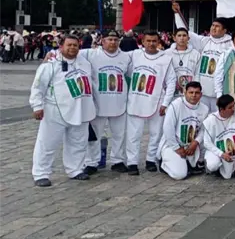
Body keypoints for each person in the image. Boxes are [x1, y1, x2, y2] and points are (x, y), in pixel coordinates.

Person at [30, 34, 96, 187]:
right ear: (61, 47)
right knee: (47, 143)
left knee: (78, 142)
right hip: (55, 108)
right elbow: (38, 86)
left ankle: (75, 169)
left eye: (75, 45)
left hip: (81, 108)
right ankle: (41, 173)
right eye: (69, 45)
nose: (72, 48)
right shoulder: (51, 63)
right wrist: (37, 106)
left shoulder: (85, 63)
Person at [78, 30, 132, 174]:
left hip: (119, 103)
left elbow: (131, 74)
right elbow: (70, 53)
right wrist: (51, 55)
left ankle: (117, 160)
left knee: (119, 135)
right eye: (110, 39)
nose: (113, 42)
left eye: (115, 39)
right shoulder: (90, 54)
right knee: (95, 136)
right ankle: (91, 162)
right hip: (98, 103)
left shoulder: (126, 57)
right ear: (102, 41)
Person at [125, 31, 176, 176]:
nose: (151, 44)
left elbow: (171, 81)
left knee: (156, 133)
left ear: (158, 42)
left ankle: (151, 160)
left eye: (154, 41)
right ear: (143, 42)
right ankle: (132, 162)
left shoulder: (165, 58)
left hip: (157, 101)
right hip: (136, 99)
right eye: (148, 41)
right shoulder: (134, 55)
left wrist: (165, 103)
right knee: (133, 134)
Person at [173, 2, 233, 112]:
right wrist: (177, 13)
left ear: (224, 30)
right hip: (202, 92)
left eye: (217, 26)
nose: (213, 28)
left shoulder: (230, 45)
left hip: (220, 92)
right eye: (213, 25)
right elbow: (184, 31)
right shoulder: (203, 41)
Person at [159, 81, 210, 180]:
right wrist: (176, 148)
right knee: (180, 175)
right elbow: (168, 128)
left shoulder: (204, 109)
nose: (194, 95)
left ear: (201, 94)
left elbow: (204, 129)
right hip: (172, 145)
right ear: (185, 93)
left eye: (197, 93)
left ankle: (190, 163)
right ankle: (163, 164)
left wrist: (195, 142)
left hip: (190, 145)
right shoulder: (175, 105)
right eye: (191, 92)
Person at [203, 94, 235, 179]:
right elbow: (207, 143)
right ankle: (217, 169)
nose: (233, 109)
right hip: (218, 150)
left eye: (233, 106)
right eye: (230, 107)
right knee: (213, 165)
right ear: (221, 109)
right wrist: (221, 154)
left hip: (233, 148)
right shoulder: (210, 120)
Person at [166, 28, 201, 100]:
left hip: (189, 93)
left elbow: (197, 74)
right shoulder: (167, 53)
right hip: (171, 92)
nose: (182, 38)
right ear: (174, 38)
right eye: (179, 35)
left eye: (184, 35)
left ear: (188, 38)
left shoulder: (196, 54)